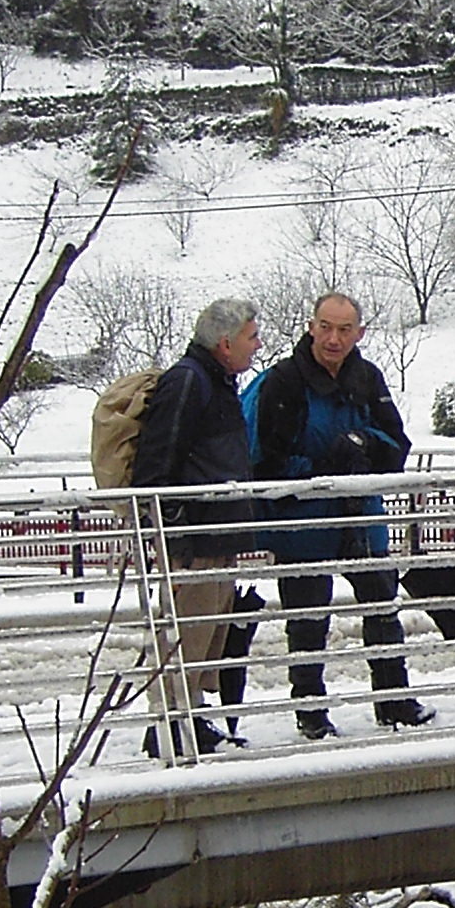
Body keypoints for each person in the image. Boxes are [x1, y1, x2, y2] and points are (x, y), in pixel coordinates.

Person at [244, 292, 435, 739]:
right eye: (326, 327)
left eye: (344, 330)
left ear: (359, 333)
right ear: (311, 327)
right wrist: (325, 467)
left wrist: (363, 445)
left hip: (362, 511)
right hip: (304, 518)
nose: (334, 338)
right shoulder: (283, 382)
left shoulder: (367, 377)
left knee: (382, 607)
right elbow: (267, 461)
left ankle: (394, 700)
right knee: (307, 618)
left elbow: (397, 446)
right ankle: (311, 710)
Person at [131, 297, 262, 757]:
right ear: (225, 343)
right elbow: (158, 460)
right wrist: (174, 529)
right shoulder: (190, 381)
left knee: (205, 634)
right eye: (251, 337)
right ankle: (170, 724)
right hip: (195, 539)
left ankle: (191, 716)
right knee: (186, 631)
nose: (257, 345)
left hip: (214, 535)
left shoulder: (211, 381)